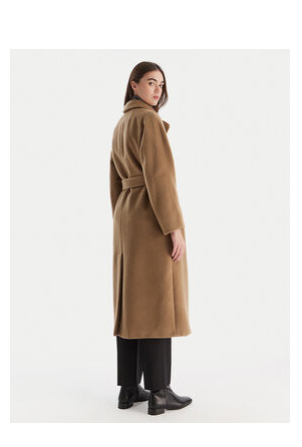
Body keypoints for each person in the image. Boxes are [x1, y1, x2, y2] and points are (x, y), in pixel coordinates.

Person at [110, 61, 193, 416]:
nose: (157, 90)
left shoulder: (121, 123)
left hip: (127, 217)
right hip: (151, 216)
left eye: (161, 84)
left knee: (131, 303)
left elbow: (114, 181)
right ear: (134, 85)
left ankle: (128, 389)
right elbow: (160, 179)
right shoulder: (148, 120)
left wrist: (121, 220)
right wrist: (174, 227)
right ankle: (160, 391)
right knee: (159, 301)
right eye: (150, 82)